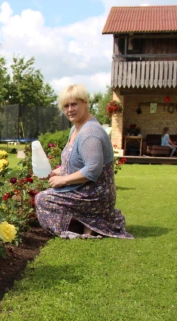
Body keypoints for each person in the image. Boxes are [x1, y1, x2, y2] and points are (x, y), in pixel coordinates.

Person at [34, 84, 133, 239]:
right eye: (66, 106)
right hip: (83, 189)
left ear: (85, 103)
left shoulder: (90, 133)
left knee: (42, 199)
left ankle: (83, 229)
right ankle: (89, 224)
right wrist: (55, 172)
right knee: (44, 197)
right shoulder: (76, 128)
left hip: (95, 193)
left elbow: (93, 169)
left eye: (74, 104)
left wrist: (63, 180)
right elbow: (74, 163)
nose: (70, 109)